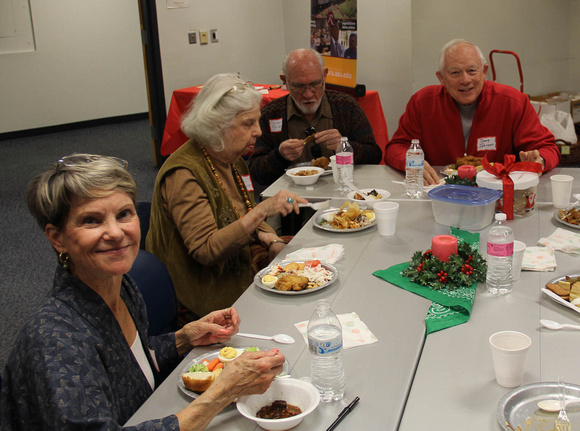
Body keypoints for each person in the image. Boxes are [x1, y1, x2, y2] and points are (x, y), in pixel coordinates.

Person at [0, 154, 286, 430]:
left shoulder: (120, 284)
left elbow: (129, 367)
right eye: (91, 220)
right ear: (57, 238)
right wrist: (220, 394)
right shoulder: (56, 339)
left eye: (124, 214)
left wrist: (183, 339)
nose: (115, 232)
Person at [147, 73, 307, 323]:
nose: (257, 132)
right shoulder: (183, 174)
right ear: (216, 125)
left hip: (236, 268)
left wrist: (271, 239)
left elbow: (242, 212)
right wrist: (263, 210)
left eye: (258, 121)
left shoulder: (230, 159)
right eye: (248, 123)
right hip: (199, 296)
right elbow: (205, 250)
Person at [384, 39, 560, 184]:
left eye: (472, 71)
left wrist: (539, 160)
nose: (465, 80)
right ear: (441, 78)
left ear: (484, 72)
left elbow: (547, 148)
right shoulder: (422, 103)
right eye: (455, 73)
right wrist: (411, 162)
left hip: (496, 195)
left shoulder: (513, 102)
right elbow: (396, 147)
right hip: (439, 191)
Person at [248, 48, 382, 186]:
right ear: (285, 81)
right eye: (299, 86)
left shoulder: (345, 106)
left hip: (340, 192)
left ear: (325, 75)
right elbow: (256, 172)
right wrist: (279, 156)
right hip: (289, 199)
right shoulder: (272, 113)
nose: (308, 94)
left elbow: (374, 155)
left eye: (314, 84)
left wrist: (345, 147)